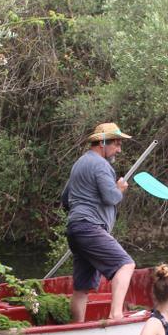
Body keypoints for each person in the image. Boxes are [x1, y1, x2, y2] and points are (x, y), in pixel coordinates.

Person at [62, 122, 136, 322]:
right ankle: (116, 316)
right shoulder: (101, 165)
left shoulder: (79, 163)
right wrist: (120, 188)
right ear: (103, 142)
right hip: (89, 228)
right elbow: (111, 198)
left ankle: (76, 329)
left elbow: (65, 198)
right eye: (117, 144)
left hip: (75, 229)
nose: (119, 150)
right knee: (126, 264)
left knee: (82, 288)